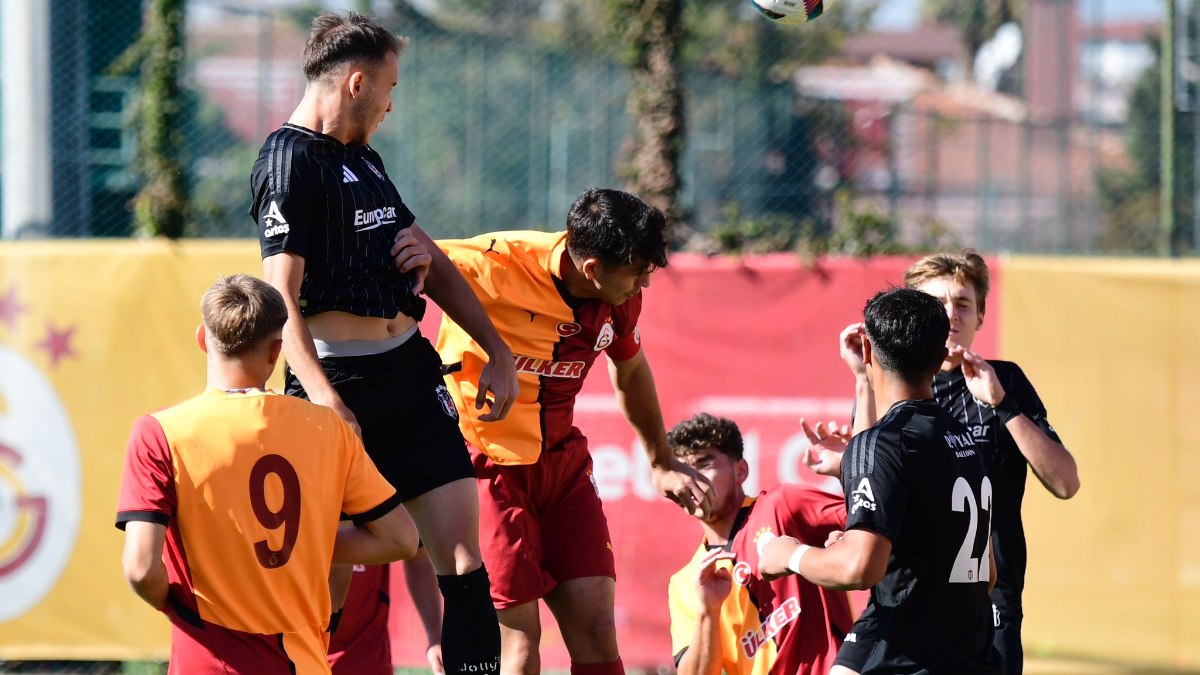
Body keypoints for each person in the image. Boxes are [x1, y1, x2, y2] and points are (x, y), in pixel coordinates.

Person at [249, 11, 517, 674]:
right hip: (338, 387)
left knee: (464, 561)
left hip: (409, 375)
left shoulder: (361, 156)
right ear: (357, 83)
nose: (395, 104)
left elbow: (425, 249)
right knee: (327, 583)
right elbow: (279, 296)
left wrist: (497, 348)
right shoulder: (288, 161)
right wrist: (322, 398)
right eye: (392, 88)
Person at [435, 187, 715, 675]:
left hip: (562, 467)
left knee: (597, 633)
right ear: (592, 269)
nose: (644, 285)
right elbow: (407, 244)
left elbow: (629, 370)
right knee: (520, 648)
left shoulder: (620, 297)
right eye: (636, 273)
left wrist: (661, 460)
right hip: (487, 469)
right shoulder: (496, 262)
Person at [115, 274, 418, 674]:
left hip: (207, 658)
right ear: (277, 351)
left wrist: (180, 609)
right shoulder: (328, 429)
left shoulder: (160, 433)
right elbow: (401, 539)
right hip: (303, 660)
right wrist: (305, 544)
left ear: (203, 339)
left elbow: (140, 568)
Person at [824, 251, 1081, 674]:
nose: (949, 314)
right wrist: (858, 386)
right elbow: (867, 485)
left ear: (981, 315)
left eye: (962, 303)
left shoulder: (1003, 383)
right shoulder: (890, 385)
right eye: (936, 303)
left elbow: (1065, 482)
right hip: (899, 594)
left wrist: (1004, 406)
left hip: (983, 598)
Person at [760, 287, 1001, 674]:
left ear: (869, 352)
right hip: (974, 659)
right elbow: (986, 575)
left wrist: (789, 554)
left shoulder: (881, 442)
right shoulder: (966, 439)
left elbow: (859, 569)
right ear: (941, 359)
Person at [665, 413, 853, 675]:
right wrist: (709, 611)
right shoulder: (685, 583)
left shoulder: (782, 505)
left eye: (704, 464)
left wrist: (849, 470)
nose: (692, 480)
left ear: (741, 471)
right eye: (683, 471)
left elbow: (877, 519)